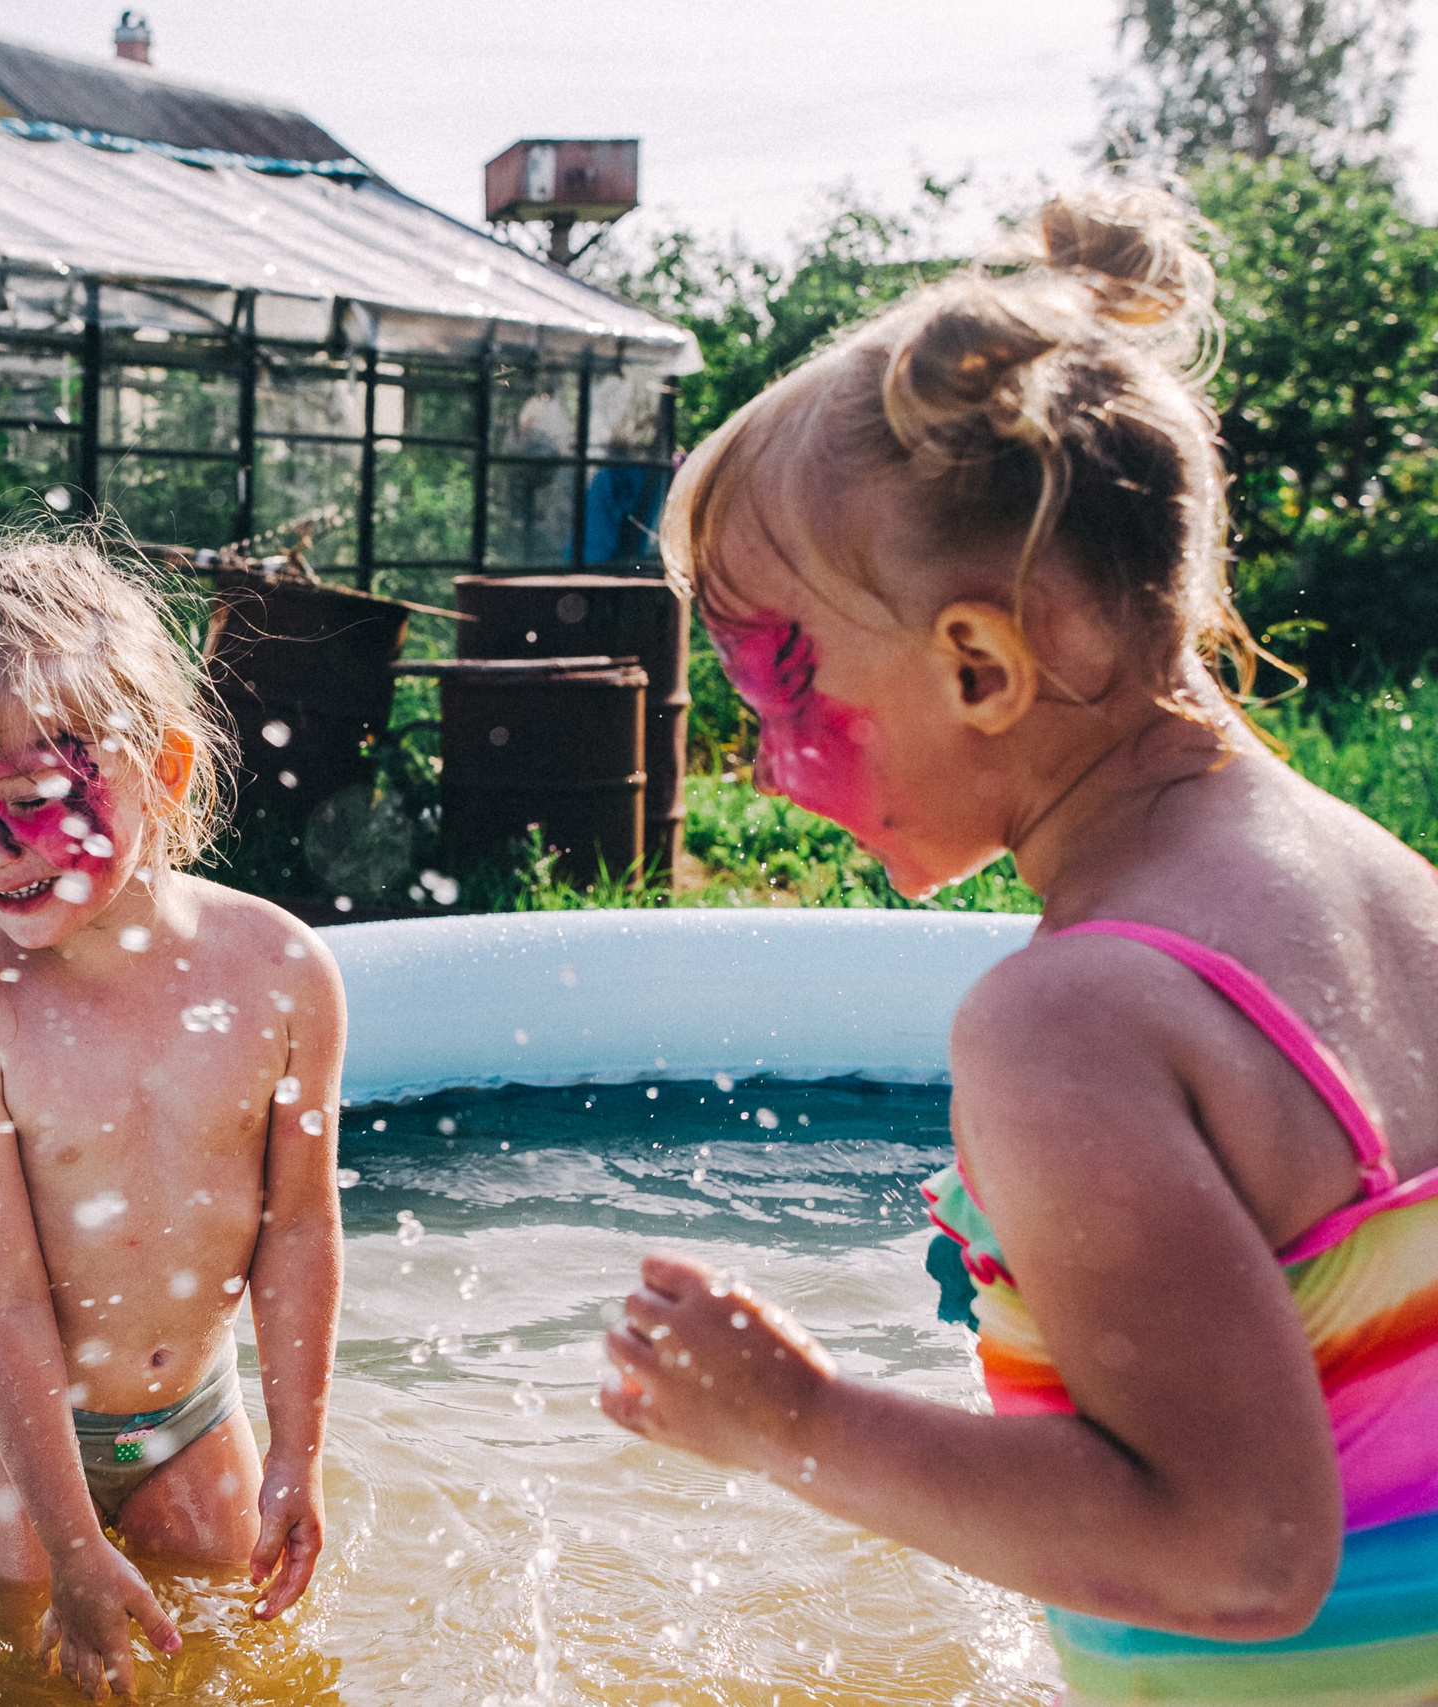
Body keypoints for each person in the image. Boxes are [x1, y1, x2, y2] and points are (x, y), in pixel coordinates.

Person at [601, 189, 1438, 1704]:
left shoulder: (1067, 1021)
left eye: (780, 693)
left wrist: (791, 1415)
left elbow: (1243, 1552)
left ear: (979, 661)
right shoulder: (1392, 890)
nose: (766, 763)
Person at [0, 537, 347, 1701]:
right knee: (8, 1680)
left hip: (192, 1412)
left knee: (249, 1667)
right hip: (10, 1435)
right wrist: (74, 1544)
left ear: (168, 770)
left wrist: (296, 1452)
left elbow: (296, 1231)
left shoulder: (279, 973)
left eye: (33, 803)